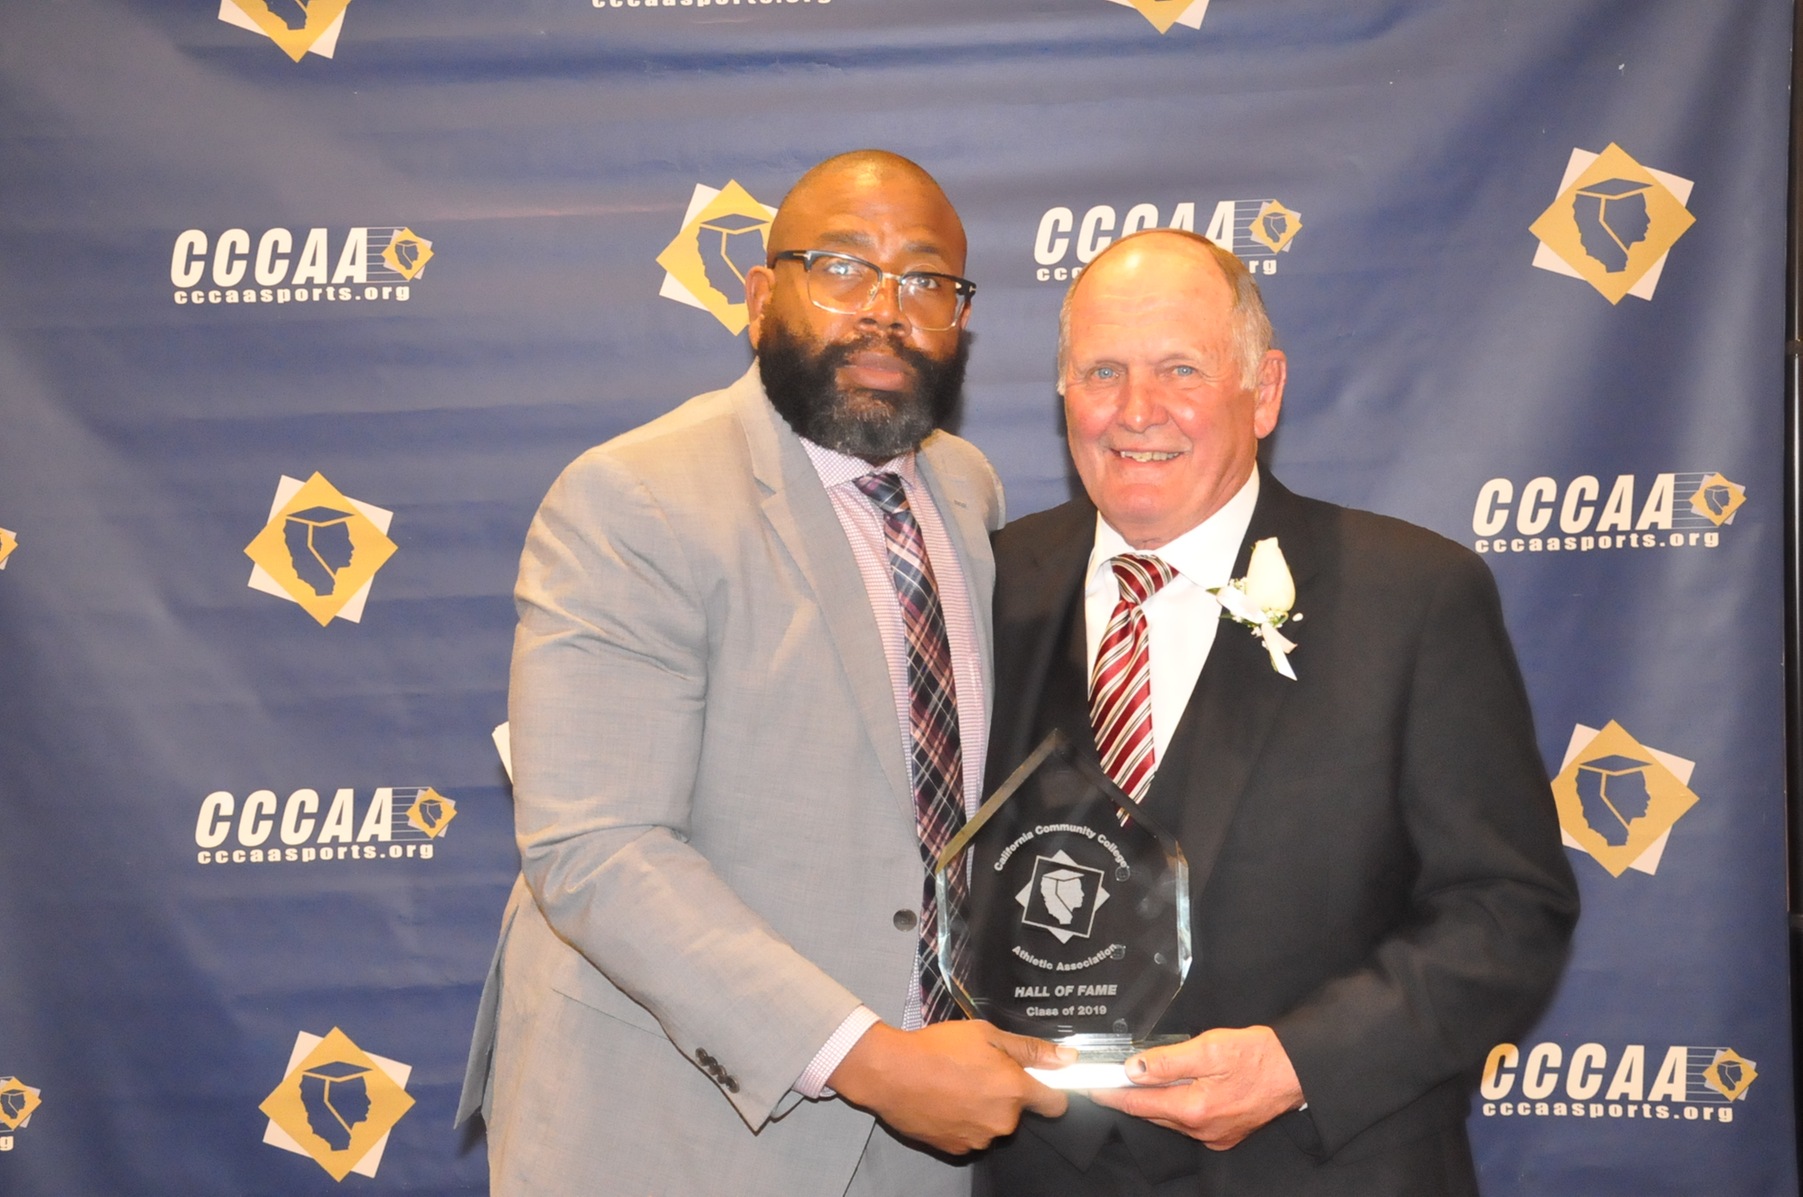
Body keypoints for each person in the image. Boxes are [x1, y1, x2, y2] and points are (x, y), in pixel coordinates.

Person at [455, 150, 1069, 1197]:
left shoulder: (967, 488)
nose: (884, 311)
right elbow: (596, 847)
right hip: (668, 1131)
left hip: (921, 1145)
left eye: (925, 280)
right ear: (757, 299)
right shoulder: (633, 498)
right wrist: (871, 1060)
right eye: (842, 268)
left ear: (960, 319)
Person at [977, 228, 1579, 1196]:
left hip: (1324, 1168)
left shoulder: (1413, 596)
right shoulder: (987, 583)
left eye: (1180, 368)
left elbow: (1509, 911)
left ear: (1264, 391)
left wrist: (1300, 1063)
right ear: (1063, 393)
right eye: (1101, 371)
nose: (1136, 409)